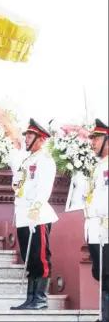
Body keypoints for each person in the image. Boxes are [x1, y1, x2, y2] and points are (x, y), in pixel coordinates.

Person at [9, 119, 57, 310]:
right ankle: (30, 298)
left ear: (40, 139)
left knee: (41, 257)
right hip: (23, 216)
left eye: (30, 136)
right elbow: (19, 184)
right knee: (29, 258)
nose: (26, 139)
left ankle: (40, 298)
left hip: (38, 216)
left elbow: (44, 189)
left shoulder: (45, 160)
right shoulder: (26, 161)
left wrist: (35, 211)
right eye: (26, 136)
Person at [85, 118, 109, 322]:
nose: (92, 142)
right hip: (95, 227)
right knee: (101, 274)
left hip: (107, 228)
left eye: (96, 139)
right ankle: (103, 315)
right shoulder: (99, 166)